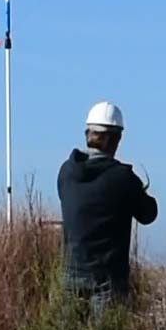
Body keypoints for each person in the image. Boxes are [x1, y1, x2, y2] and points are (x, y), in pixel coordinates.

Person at [57, 101, 158, 313]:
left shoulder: (66, 172)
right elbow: (148, 214)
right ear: (116, 138)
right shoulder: (122, 177)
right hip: (107, 279)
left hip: (69, 275)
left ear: (87, 134)